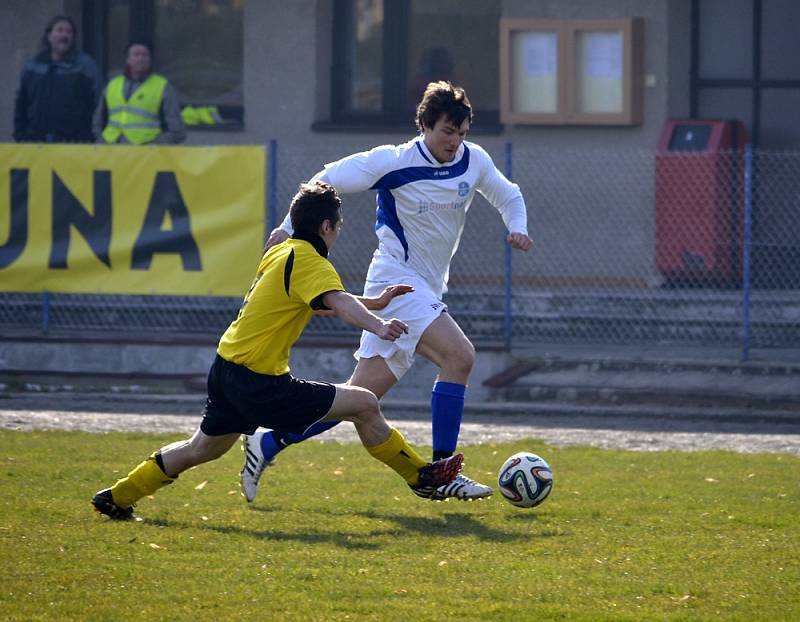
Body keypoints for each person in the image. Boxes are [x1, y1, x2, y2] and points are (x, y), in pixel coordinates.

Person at [92, 181, 463, 521]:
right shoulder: (310, 261)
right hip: (258, 382)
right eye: (338, 226)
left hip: (225, 369)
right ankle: (421, 477)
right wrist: (379, 325)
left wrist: (376, 302)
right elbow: (338, 303)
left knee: (201, 448)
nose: (337, 233)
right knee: (364, 402)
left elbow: (318, 302)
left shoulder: (282, 251)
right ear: (326, 228)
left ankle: (118, 495)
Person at [240, 81, 532, 502]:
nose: (456, 141)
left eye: (463, 132)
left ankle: (267, 443)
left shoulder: (474, 161)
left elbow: (509, 195)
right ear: (426, 126)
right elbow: (326, 179)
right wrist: (287, 228)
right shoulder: (393, 161)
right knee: (460, 355)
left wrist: (517, 227)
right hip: (397, 281)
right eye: (448, 131)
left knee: (360, 398)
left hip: (426, 287)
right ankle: (443, 470)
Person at [13, 15, 102, 143]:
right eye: (60, 30)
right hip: (36, 143)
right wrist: (20, 135)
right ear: (49, 36)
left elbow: (98, 104)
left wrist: (90, 137)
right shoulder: (33, 66)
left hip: (74, 144)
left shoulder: (86, 66)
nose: (64, 35)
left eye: (69, 32)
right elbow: (21, 103)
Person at [93, 41, 186, 145]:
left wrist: (154, 148)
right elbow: (98, 120)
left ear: (150, 60)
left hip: (145, 155)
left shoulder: (163, 86)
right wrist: (101, 141)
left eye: (144, 55)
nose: (140, 58)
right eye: (136, 54)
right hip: (111, 150)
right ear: (127, 59)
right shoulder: (112, 84)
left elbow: (177, 131)